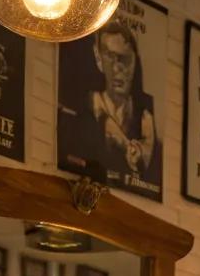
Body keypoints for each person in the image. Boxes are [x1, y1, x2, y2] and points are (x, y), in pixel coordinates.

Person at [60, 19, 161, 192]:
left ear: (135, 61)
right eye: (110, 56)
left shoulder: (145, 122)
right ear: (98, 58)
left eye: (125, 59)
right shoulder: (79, 111)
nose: (117, 67)